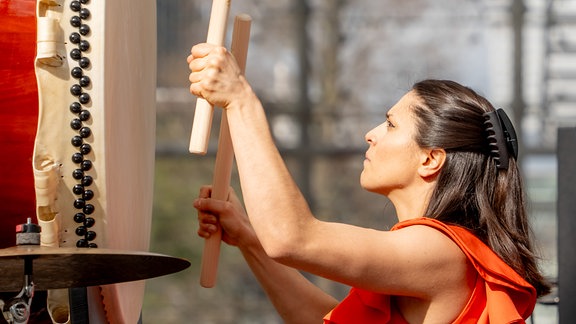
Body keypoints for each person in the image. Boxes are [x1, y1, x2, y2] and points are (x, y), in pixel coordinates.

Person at [188, 43, 551, 323]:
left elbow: (291, 237)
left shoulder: (442, 250)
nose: (370, 134)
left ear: (430, 159)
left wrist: (240, 100)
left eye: (391, 124)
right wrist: (250, 239)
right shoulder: (430, 253)